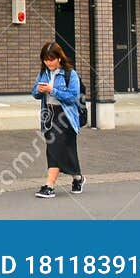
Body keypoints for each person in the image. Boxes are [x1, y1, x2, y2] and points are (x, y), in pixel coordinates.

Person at [32, 41, 84, 198]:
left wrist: (52, 90)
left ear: (59, 58)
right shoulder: (43, 73)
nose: (48, 62)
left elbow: (73, 97)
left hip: (65, 116)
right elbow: (34, 93)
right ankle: (78, 178)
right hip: (49, 115)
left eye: (51, 59)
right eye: (45, 59)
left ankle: (49, 185)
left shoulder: (70, 74)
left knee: (54, 148)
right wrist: (40, 90)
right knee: (65, 150)